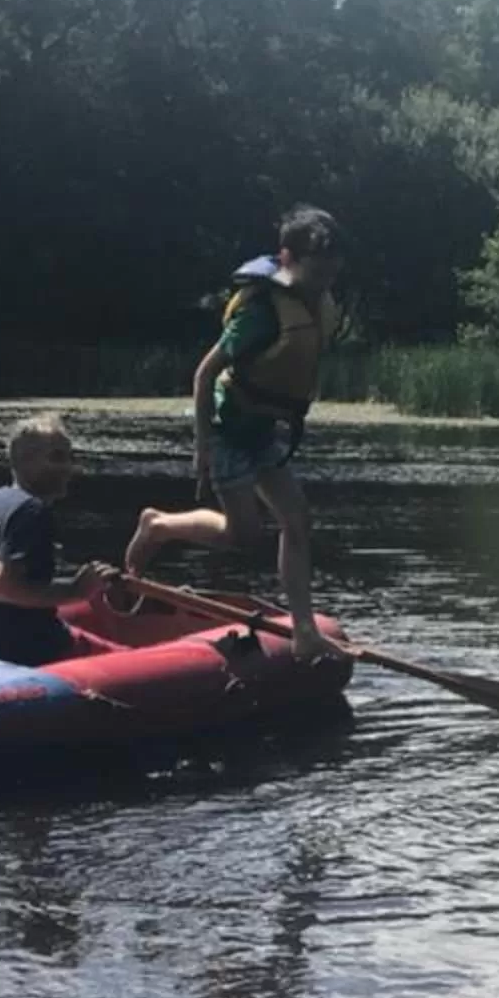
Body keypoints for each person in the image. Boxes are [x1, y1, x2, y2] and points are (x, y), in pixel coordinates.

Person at [126, 206, 343, 661]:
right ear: (287, 258)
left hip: (261, 431)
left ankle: (304, 631)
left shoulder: (315, 304)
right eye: (316, 269)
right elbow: (204, 376)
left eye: (331, 270)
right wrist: (202, 445)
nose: (324, 279)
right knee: (243, 536)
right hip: (227, 430)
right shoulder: (262, 313)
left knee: (297, 521)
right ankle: (158, 525)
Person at [0, 413, 110, 667]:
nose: (68, 467)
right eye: (57, 458)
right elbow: (3, 588)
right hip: (20, 652)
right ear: (25, 461)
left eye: (70, 458)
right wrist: (77, 589)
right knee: (123, 657)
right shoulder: (31, 511)